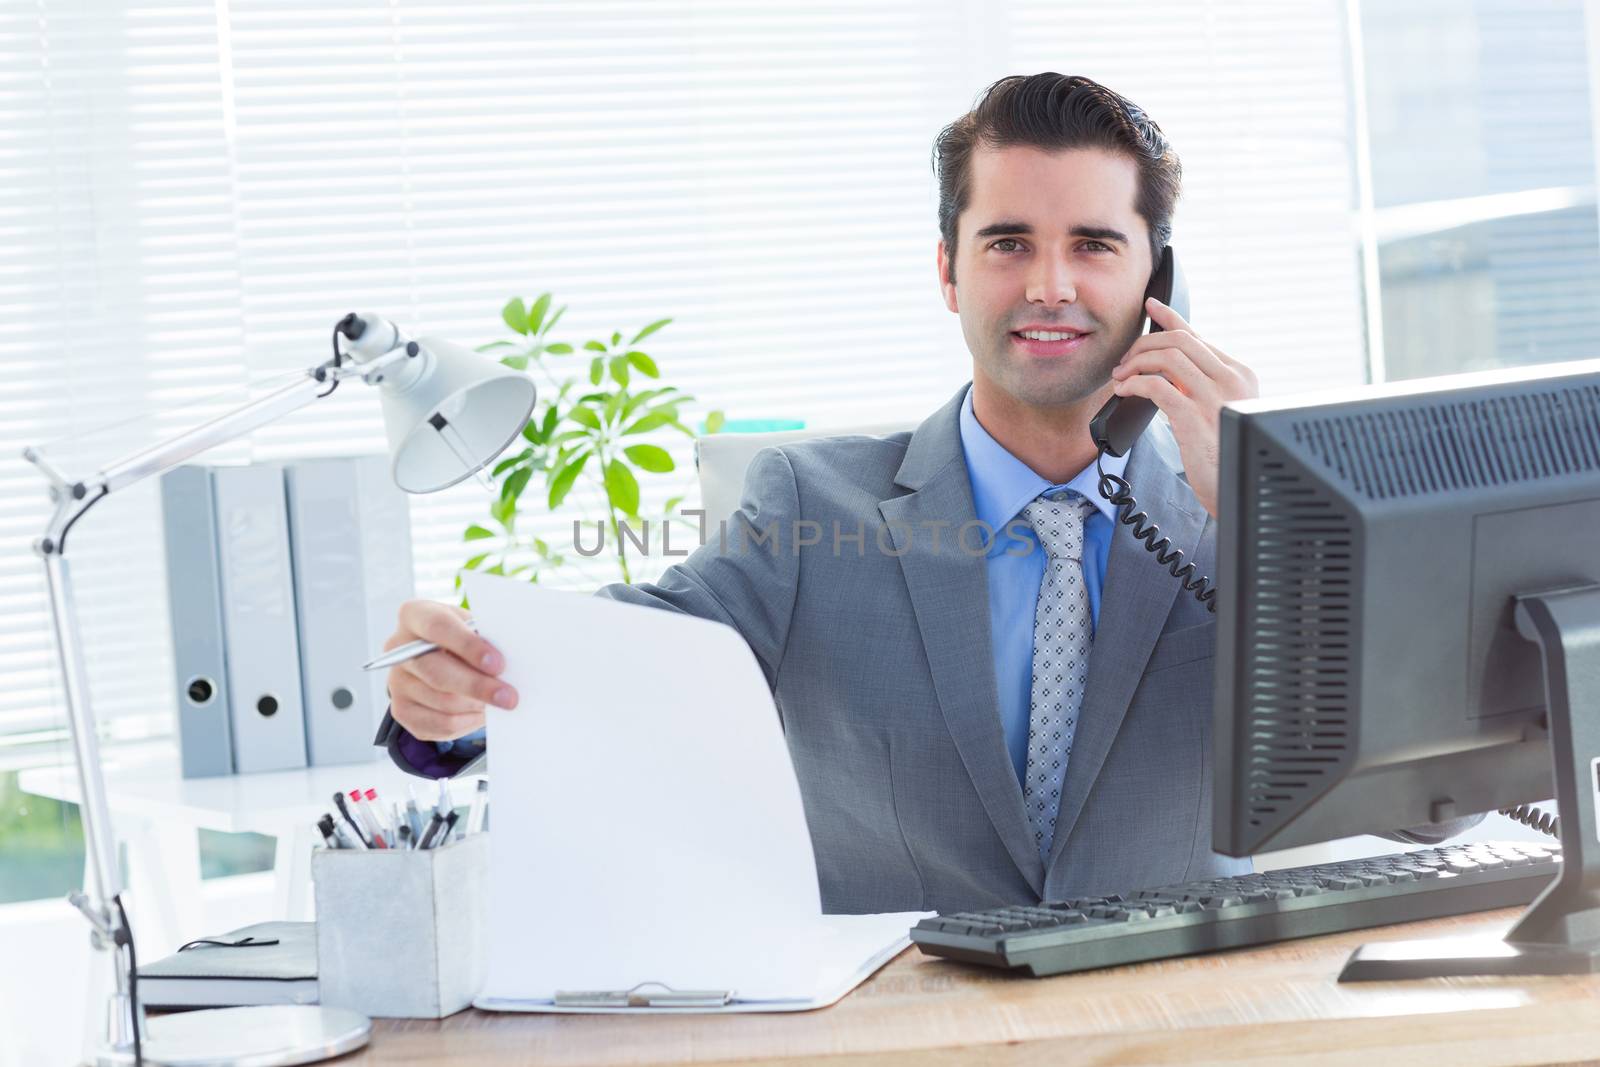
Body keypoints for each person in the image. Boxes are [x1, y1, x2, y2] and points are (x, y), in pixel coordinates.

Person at [373, 73, 1480, 914]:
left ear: (1158, 281)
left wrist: (1265, 517)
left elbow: (1443, 799)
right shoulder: (810, 507)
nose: (1049, 285)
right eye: (1008, 242)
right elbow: (620, 663)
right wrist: (450, 697)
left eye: (1094, 243)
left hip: (1182, 1023)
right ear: (948, 269)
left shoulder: (1255, 508)